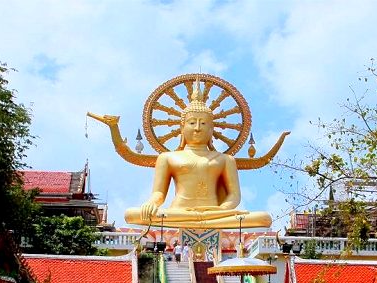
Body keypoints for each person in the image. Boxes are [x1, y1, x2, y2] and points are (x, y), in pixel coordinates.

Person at [99, 78, 276, 230]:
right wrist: (151, 204)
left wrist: (221, 210)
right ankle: (198, 222)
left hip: (216, 215)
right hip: (178, 213)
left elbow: (234, 196)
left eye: (203, 123)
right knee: (132, 214)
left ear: (212, 128)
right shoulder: (167, 158)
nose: (198, 128)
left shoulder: (225, 159)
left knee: (263, 218)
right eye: (192, 123)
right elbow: (159, 194)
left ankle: (204, 221)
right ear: (182, 127)